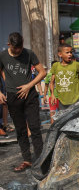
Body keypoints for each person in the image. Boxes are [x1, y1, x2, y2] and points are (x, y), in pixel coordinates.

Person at [0, 32, 47, 172]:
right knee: (20, 130)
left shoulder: (29, 53)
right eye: (16, 48)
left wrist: (28, 85)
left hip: (30, 95)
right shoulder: (2, 56)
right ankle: (27, 160)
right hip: (13, 97)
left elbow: (42, 72)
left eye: (20, 47)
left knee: (35, 128)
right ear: (9, 45)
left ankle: (41, 160)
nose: (18, 51)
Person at [49, 44, 79, 111]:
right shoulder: (56, 66)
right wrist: (52, 95)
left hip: (75, 100)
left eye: (71, 52)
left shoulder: (76, 65)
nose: (70, 54)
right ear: (60, 54)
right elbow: (51, 82)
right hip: (62, 100)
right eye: (67, 52)